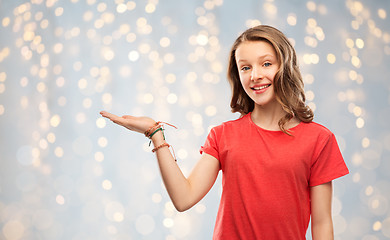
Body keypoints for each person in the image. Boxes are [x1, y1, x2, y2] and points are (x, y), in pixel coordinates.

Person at [100, 25, 349, 240]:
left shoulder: (319, 139)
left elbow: (322, 223)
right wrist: (155, 133)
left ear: (285, 66)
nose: (256, 75)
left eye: (266, 63)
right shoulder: (223, 135)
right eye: (245, 67)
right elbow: (184, 198)